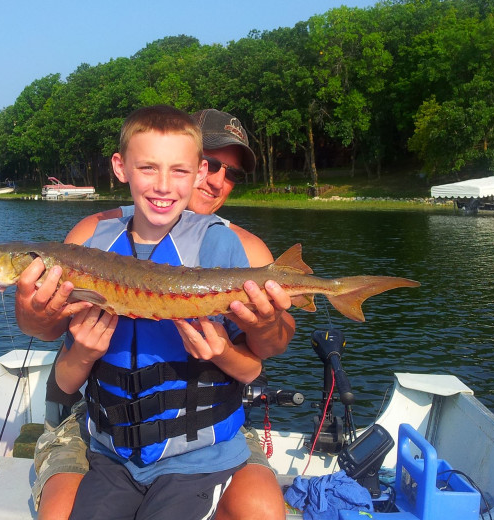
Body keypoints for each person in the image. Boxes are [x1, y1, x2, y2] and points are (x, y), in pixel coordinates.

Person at [18, 108, 294, 520]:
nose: (218, 180)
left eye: (232, 174)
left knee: (261, 510)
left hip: (198, 435)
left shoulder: (243, 249)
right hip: (106, 431)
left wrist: (268, 324)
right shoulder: (93, 239)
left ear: (191, 170)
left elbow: (268, 353)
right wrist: (32, 309)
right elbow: (47, 334)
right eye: (215, 165)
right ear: (125, 167)